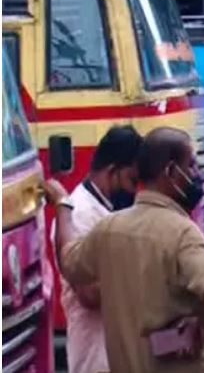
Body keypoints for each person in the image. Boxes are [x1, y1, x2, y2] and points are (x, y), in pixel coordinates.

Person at [45, 127, 204, 373]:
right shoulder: (180, 232)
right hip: (98, 358)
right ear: (171, 172)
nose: (196, 174)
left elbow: (69, 258)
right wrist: (198, 323)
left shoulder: (111, 225)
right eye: (191, 166)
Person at [56, 125, 143, 373]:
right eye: (131, 180)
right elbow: (88, 293)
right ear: (112, 171)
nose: (133, 190)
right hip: (96, 357)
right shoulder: (81, 214)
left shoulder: (105, 209)